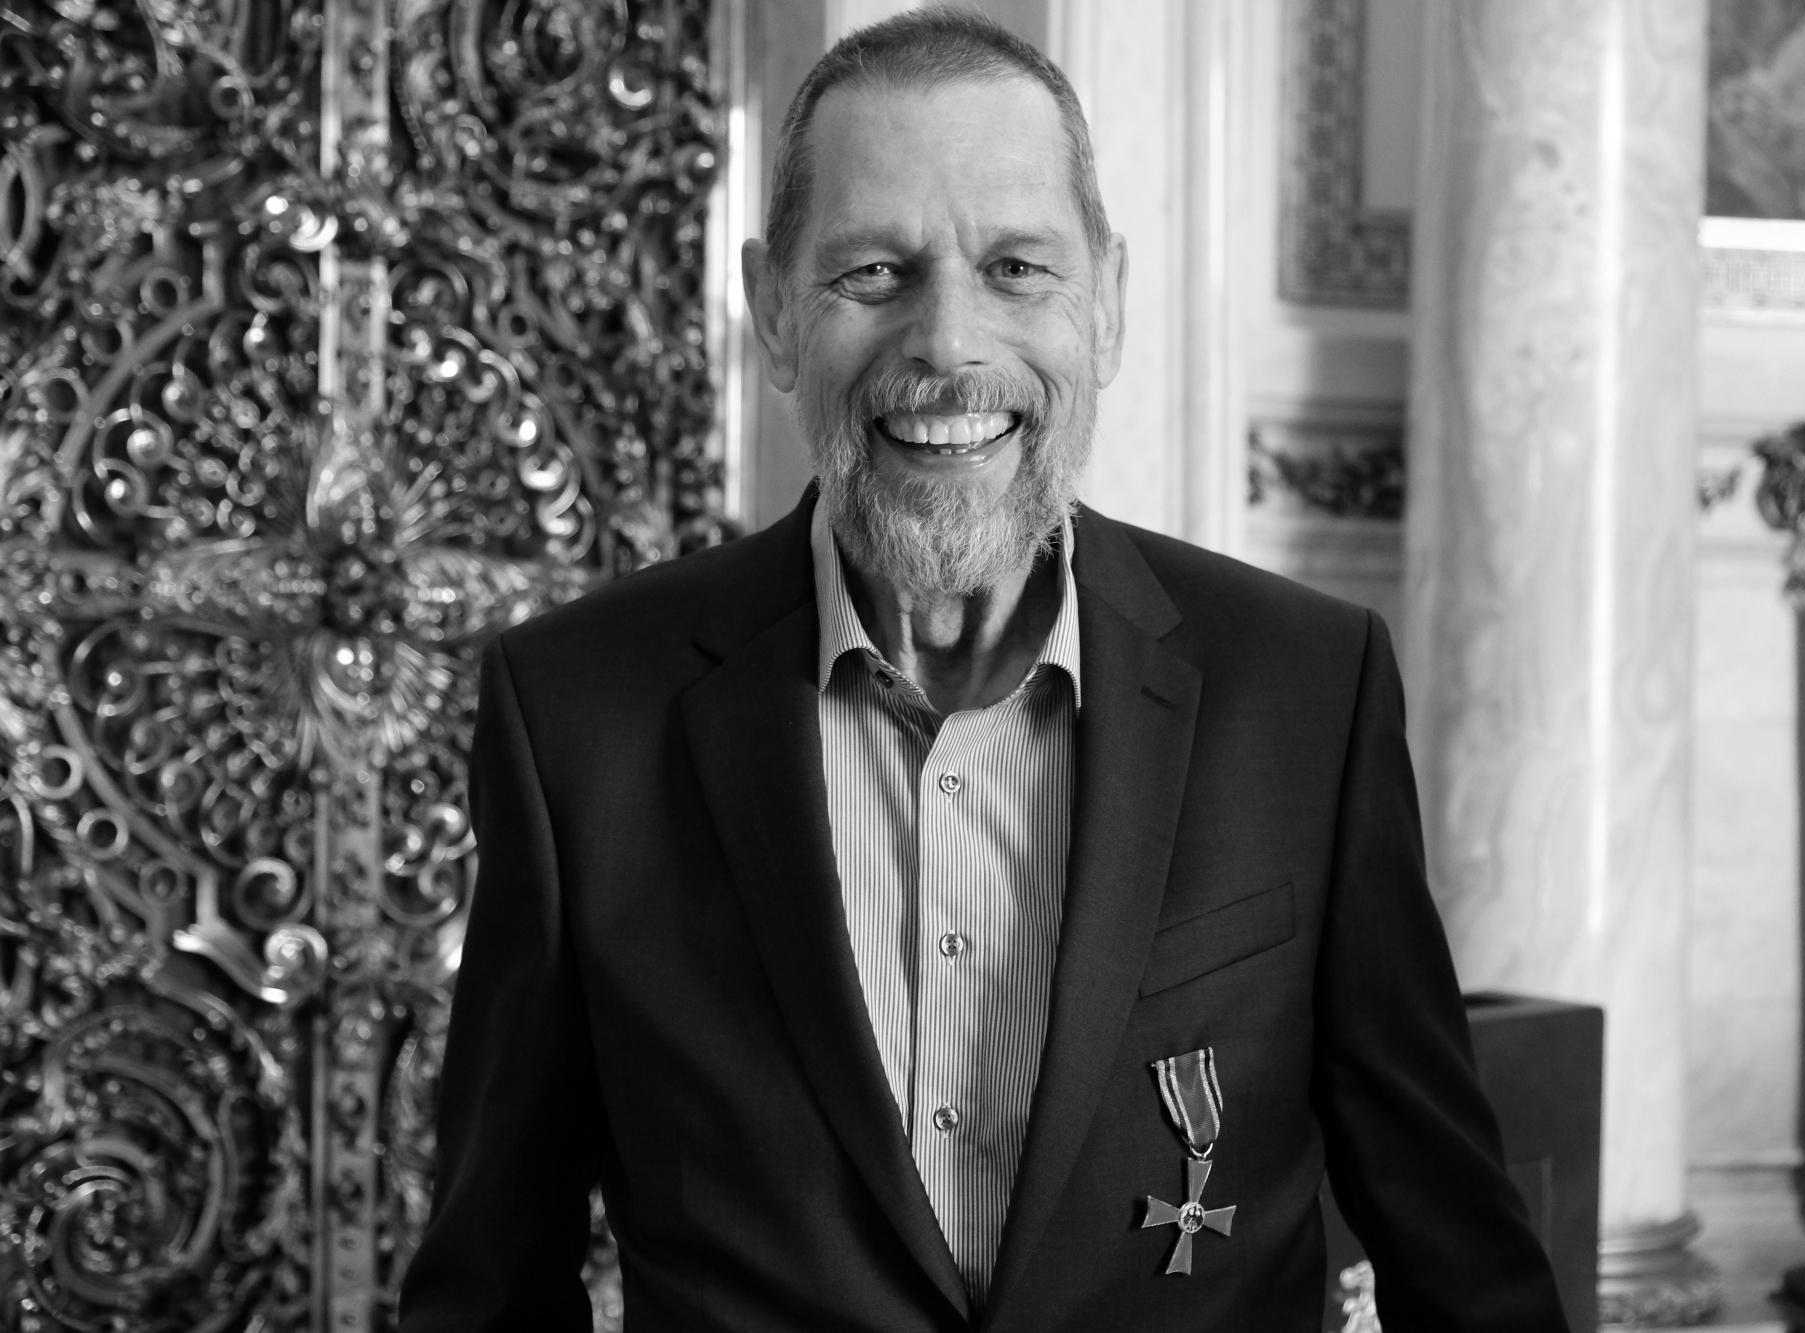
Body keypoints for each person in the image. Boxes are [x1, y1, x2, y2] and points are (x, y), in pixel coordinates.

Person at [399, 11, 1569, 1332]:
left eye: (1016, 268)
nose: (949, 342)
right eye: (873, 273)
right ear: (774, 312)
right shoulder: (577, 717)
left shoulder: (1306, 692)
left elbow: (1465, 1268)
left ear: (1105, 304)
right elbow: (488, 1286)